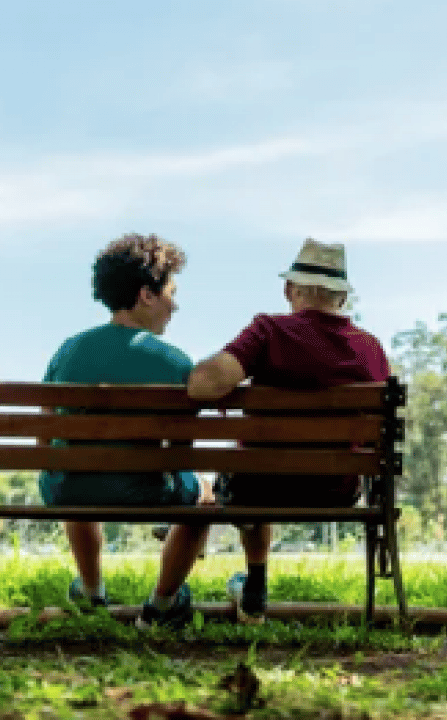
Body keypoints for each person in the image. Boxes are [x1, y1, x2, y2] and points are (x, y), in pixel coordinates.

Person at [146, 238, 391, 625]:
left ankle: (251, 584)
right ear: (342, 298)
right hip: (336, 490)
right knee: (259, 469)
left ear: (290, 290)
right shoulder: (371, 349)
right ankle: (254, 590)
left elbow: (202, 385)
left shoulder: (269, 332)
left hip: (257, 487)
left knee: (253, 471)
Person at [38, 233, 209, 621]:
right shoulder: (176, 362)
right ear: (146, 295)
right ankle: (162, 605)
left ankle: (91, 593)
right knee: (206, 498)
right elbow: (182, 452)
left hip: (68, 489)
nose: (175, 305)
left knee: (75, 472)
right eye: (171, 293)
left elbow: (47, 434)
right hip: (148, 491)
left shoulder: (68, 352)